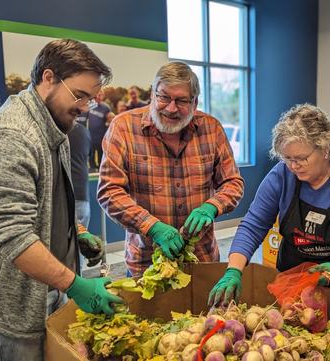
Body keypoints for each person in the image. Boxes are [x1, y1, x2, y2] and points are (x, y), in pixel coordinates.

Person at [0, 39, 123, 361]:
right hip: (20, 312)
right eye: (79, 95)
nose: (84, 108)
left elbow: (50, 201)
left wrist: (77, 231)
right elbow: (13, 236)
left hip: (53, 290)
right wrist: (76, 285)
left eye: (90, 100)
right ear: (48, 78)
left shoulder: (57, 125)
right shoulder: (14, 136)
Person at [208, 103, 330, 306]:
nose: (293, 166)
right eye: (287, 158)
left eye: (301, 158)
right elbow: (254, 224)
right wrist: (233, 270)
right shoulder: (282, 176)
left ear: (324, 149)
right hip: (297, 281)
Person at [97, 61, 244, 277]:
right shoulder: (123, 128)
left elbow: (233, 182)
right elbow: (109, 191)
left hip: (201, 259)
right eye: (164, 97)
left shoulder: (211, 128)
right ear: (153, 94)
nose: (171, 108)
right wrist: (152, 226)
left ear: (195, 102)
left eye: (182, 100)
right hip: (146, 263)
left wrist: (212, 207)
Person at [79, 90, 114, 170]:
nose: (98, 96)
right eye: (97, 94)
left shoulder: (106, 107)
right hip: (90, 135)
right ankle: (92, 169)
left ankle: (101, 170)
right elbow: (83, 117)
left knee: (101, 155)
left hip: (101, 136)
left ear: (103, 96)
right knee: (91, 155)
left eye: (100, 95)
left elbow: (110, 119)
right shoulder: (90, 105)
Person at [68, 119, 91, 228]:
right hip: (82, 194)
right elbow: (88, 156)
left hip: (64, 195)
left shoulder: (58, 131)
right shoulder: (84, 131)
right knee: (81, 241)